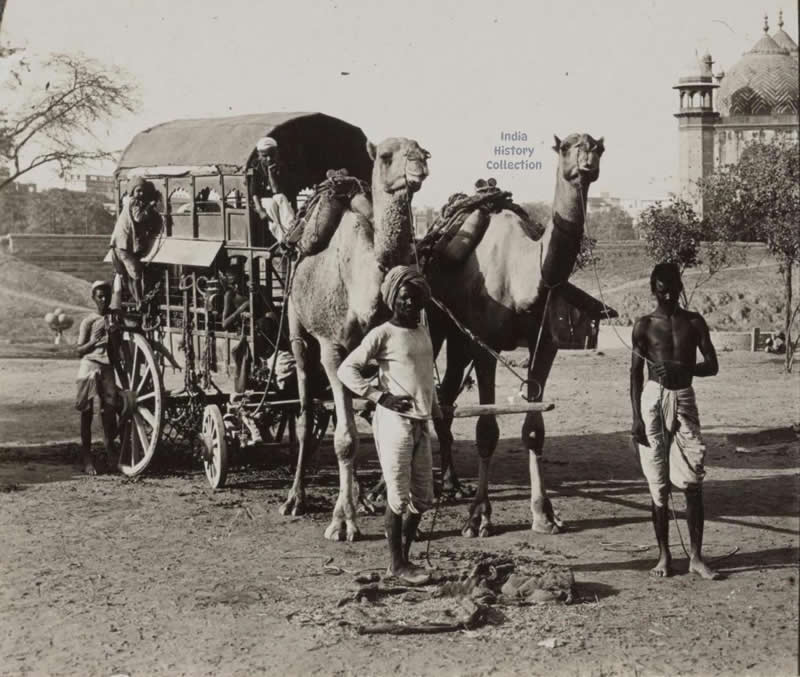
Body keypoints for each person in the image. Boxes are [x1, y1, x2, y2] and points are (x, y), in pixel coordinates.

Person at [337, 265, 441, 585]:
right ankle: (397, 563)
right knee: (397, 496)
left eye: (416, 298)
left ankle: (404, 559)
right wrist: (380, 397)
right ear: (393, 299)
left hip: (421, 423)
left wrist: (437, 410)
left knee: (422, 498)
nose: (410, 303)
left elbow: (426, 376)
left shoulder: (422, 331)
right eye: (404, 298)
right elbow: (347, 369)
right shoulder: (382, 334)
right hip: (395, 423)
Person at [630, 262, 721, 580]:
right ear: (653, 289)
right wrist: (636, 419)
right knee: (657, 483)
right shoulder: (643, 325)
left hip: (684, 397)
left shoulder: (694, 322)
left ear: (680, 288)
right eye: (661, 290)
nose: (667, 296)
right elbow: (635, 375)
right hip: (652, 401)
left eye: (672, 290)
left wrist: (684, 369)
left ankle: (696, 557)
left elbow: (713, 365)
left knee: (693, 481)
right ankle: (664, 557)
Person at [75, 281, 121, 474]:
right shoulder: (89, 321)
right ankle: (87, 458)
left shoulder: (115, 318)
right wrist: (93, 341)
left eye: (106, 296)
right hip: (90, 365)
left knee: (109, 411)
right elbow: (79, 351)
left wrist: (115, 333)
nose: (104, 300)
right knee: (87, 412)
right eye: (100, 296)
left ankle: (110, 453)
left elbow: (117, 348)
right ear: (93, 298)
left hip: (107, 367)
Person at [109, 177, 163, 309]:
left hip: (119, 243)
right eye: (138, 191)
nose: (141, 193)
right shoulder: (134, 202)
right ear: (132, 191)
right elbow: (139, 218)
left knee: (129, 276)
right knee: (136, 274)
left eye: (142, 191)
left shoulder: (129, 201)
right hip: (124, 244)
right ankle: (139, 302)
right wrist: (150, 206)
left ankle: (135, 299)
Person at [249, 137, 296, 244]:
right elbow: (254, 192)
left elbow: (276, 191)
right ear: (259, 155)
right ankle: (281, 239)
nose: (269, 159)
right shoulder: (255, 167)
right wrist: (260, 210)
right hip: (260, 200)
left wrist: (271, 173)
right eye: (265, 156)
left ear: (276, 154)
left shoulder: (280, 166)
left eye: (271, 155)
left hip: (274, 196)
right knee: (271, 205)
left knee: (281, 198)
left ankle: (291, 229)